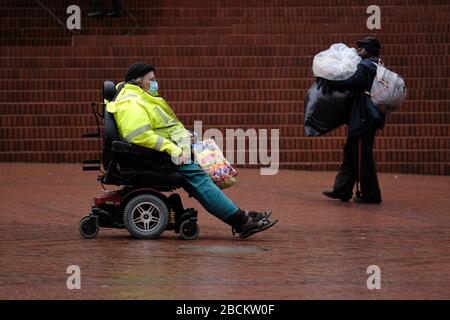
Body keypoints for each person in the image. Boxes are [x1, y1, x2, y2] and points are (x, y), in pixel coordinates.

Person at [106, 62, 278, 238]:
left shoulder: (139, 97)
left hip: (159, 154)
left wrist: (184, 136)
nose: (155, 83)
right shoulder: (132, 102)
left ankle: (239, 217)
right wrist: (172, 148)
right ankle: (240, 220)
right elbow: (139, 136)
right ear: (138, 81)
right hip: (152, 158)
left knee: (200, 172)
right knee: (198, 176)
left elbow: (161, 128)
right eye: (152, 79)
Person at [321, 37, 385, 204]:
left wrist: (330, 82)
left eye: (362, 48)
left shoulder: (365, 66)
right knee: (352, 152)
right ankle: (342, 190)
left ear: (369, 50)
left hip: (363, 117)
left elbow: (351, 83)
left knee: (361, 156)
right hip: (367, 117)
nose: (358, 50)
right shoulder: (377, 65)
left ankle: (371, 195)